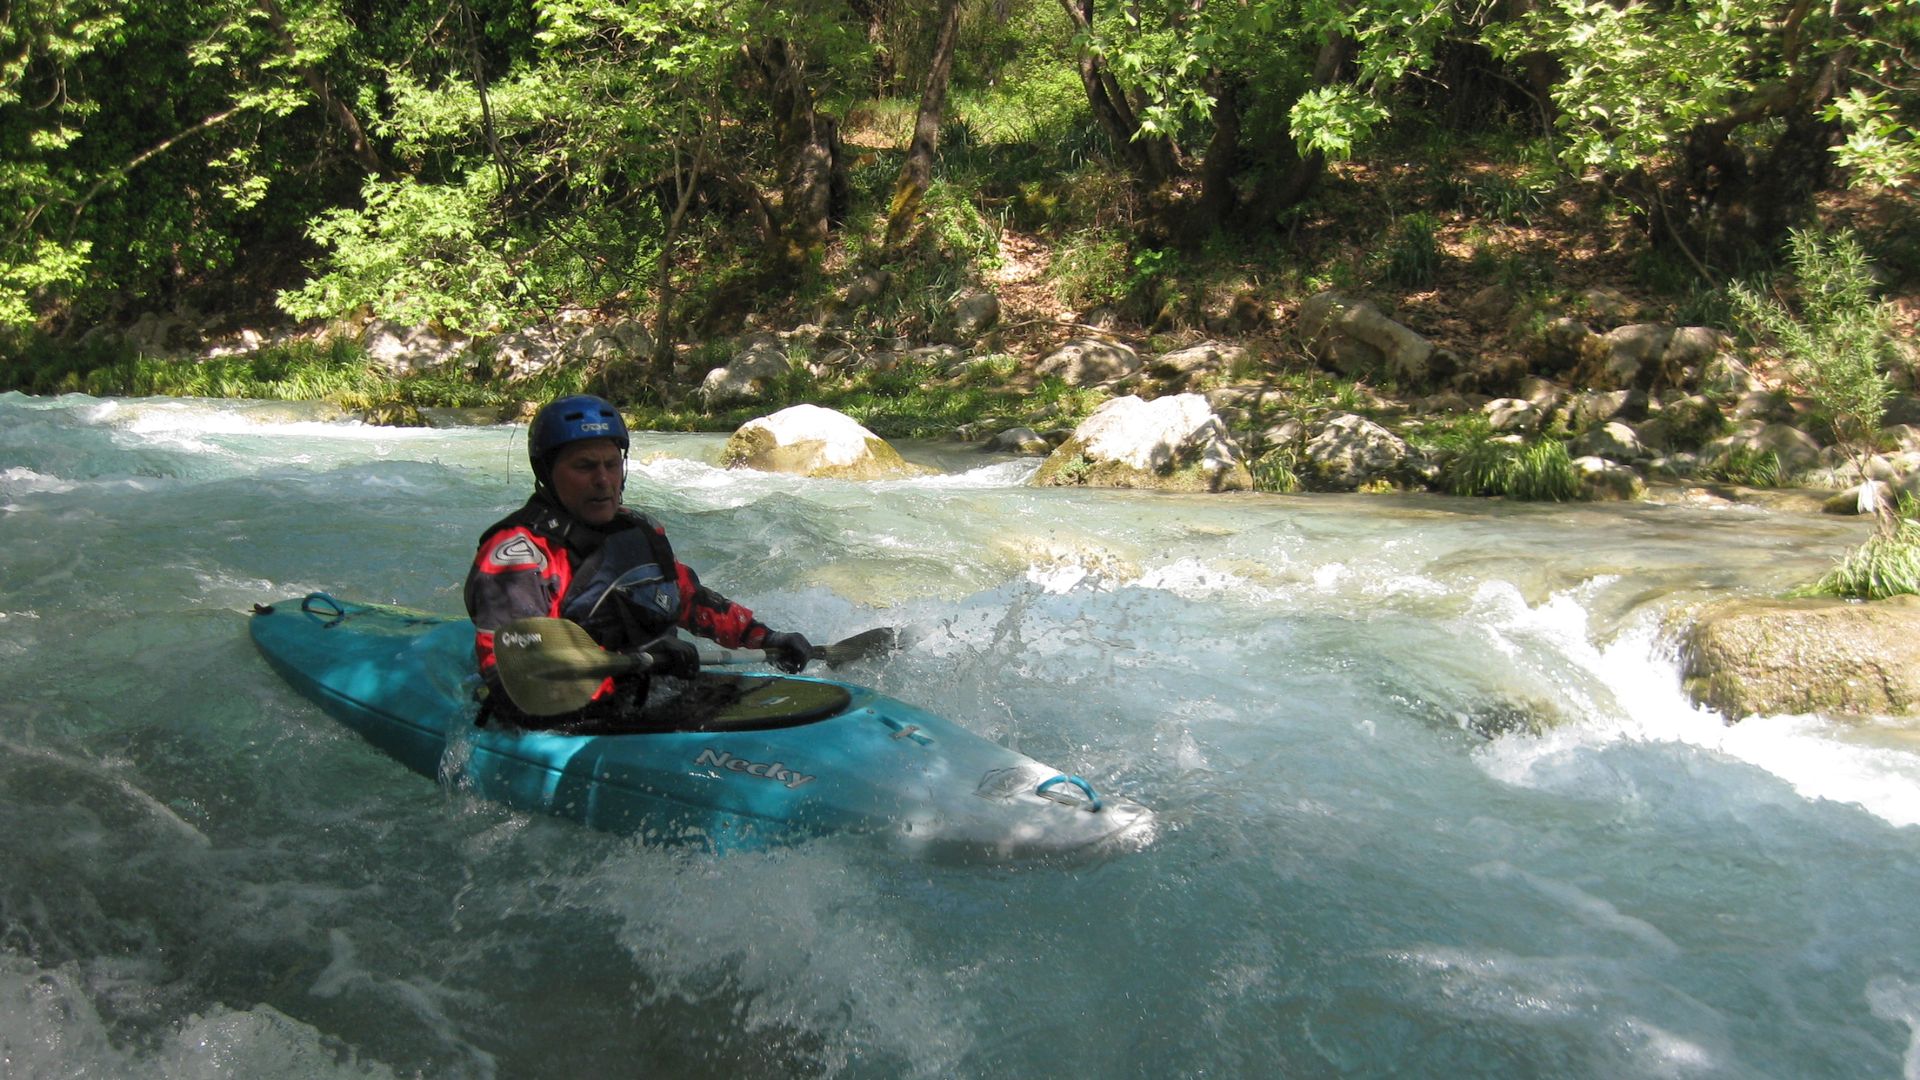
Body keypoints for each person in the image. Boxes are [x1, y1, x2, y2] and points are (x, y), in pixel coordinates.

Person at [464, 394, 811, 727]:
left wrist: (766, 638)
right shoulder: (520, 555)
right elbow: (513, 676)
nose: (603, 480)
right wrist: (635, 669)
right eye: (584, 467)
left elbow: (689, 600)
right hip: (575, 716)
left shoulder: (640, 530)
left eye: (611, 465)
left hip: (655, 696)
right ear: (547, 472)